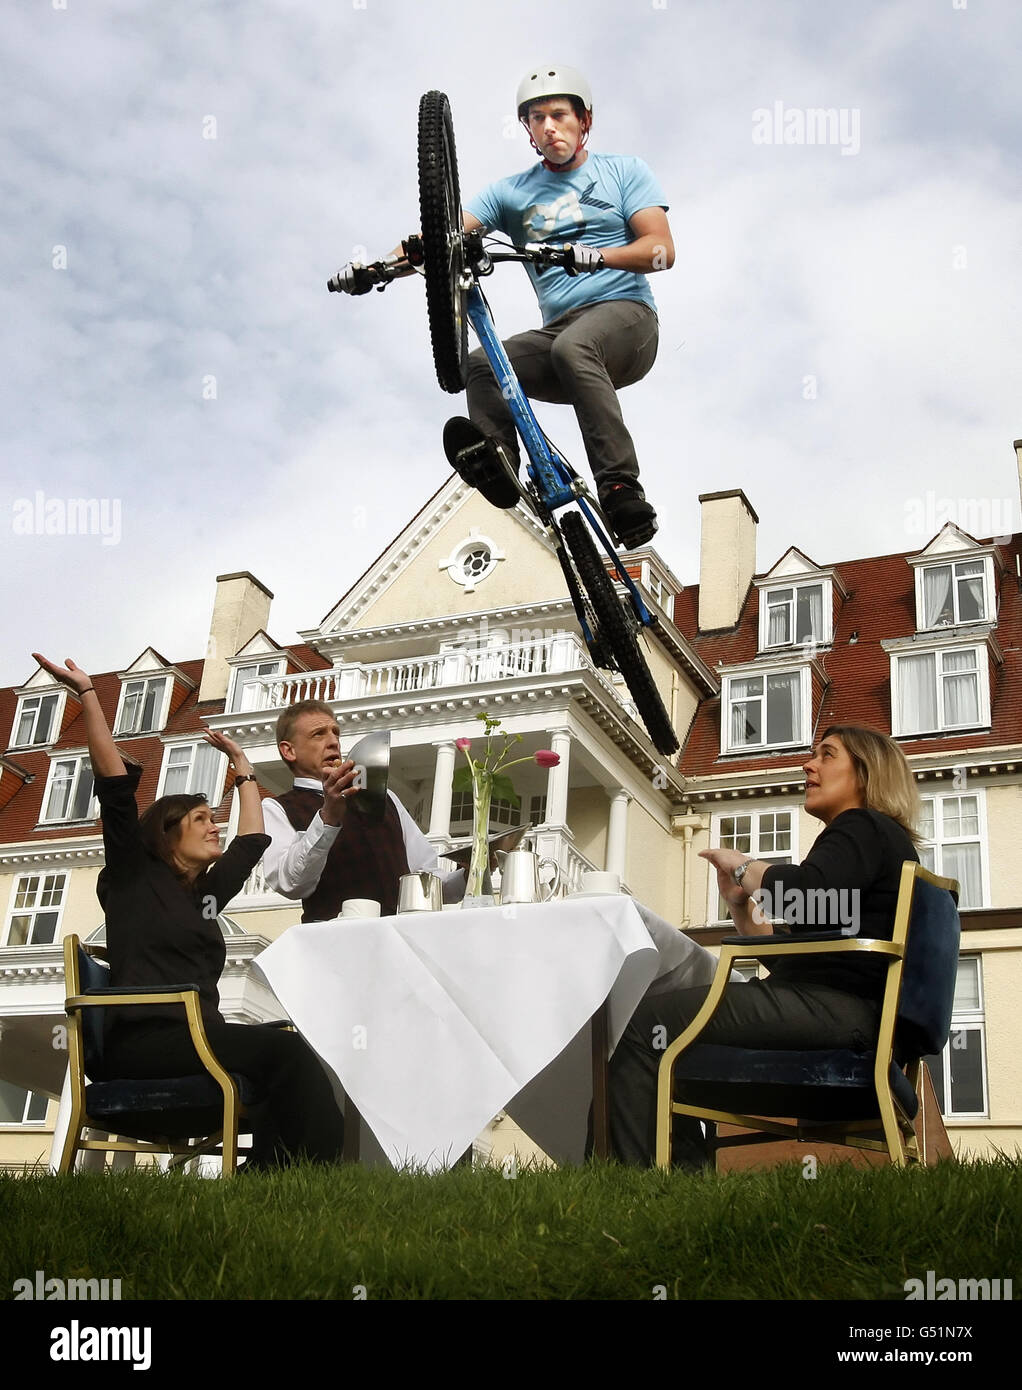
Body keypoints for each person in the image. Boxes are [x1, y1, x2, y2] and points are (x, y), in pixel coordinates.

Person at [335, 65, 674, 551]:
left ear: (585, 121)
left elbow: (662, 250)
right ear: (528, 131)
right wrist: (377, 269)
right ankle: (501, 467)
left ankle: (621, 488)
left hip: (627, 319)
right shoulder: (511, 193)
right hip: (560, 337)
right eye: (537, 119)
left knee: (575, 347)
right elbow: (442, 236)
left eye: (559, 115)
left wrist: (596, 257)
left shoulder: (624, 171)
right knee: (483, 365)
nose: (549, 126)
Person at [33, 653, 345, 1170]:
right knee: (287, 1058)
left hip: (198, 1034)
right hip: (148, 1043)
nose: (212, 826)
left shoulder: (203, 896)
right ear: (167, 833)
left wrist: (244, 770)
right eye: (201, 818)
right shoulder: (136, 878)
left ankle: (278, 1178)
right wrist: (88, 694)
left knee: (290, 1052)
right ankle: (292, 1178)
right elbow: (114, 786)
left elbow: (251, 842)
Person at [607, 724, 922, 1167]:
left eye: (827, 755)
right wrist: (741, 906)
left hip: (836, 1014)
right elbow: (796, 959)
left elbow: (808, 894)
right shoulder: (879, 842)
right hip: (844, 1016)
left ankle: (640, 1188)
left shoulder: (862, 826)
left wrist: (745, 867)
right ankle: (677, 1183)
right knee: (664, 1040)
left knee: (640, 1027)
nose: (808, 765)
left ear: (866, 776)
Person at [262, 699, 467, 919]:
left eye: (336, 733)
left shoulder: (385, 797)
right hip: (333, 943)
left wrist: (471, 872)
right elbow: (290, 884)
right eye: (318, 734)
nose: (333, 742)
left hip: (396, 939)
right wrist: (328, 818)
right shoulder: (277, 807)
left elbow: (426, 879)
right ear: (289, 750)